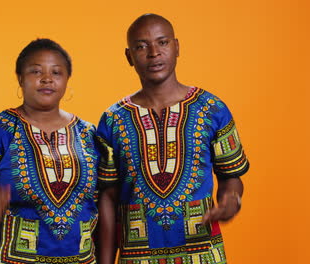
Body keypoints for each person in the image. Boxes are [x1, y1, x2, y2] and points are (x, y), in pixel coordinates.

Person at [97, 14, 250, 264]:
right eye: (141, 46)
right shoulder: (113, 119)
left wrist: (231, 200)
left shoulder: (211, 108)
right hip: (137, 257)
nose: (154, 53)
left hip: (202, 254)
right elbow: (108, 197)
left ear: (177, 47)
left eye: (162, 42)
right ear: (129, 56)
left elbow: (231, 175)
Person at [0, 38, 99, 264]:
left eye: (56, 72)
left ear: (67, 79)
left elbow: (104, 204)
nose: (47, 78)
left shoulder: (89, 134)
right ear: (20, 78)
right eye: (36, 71)